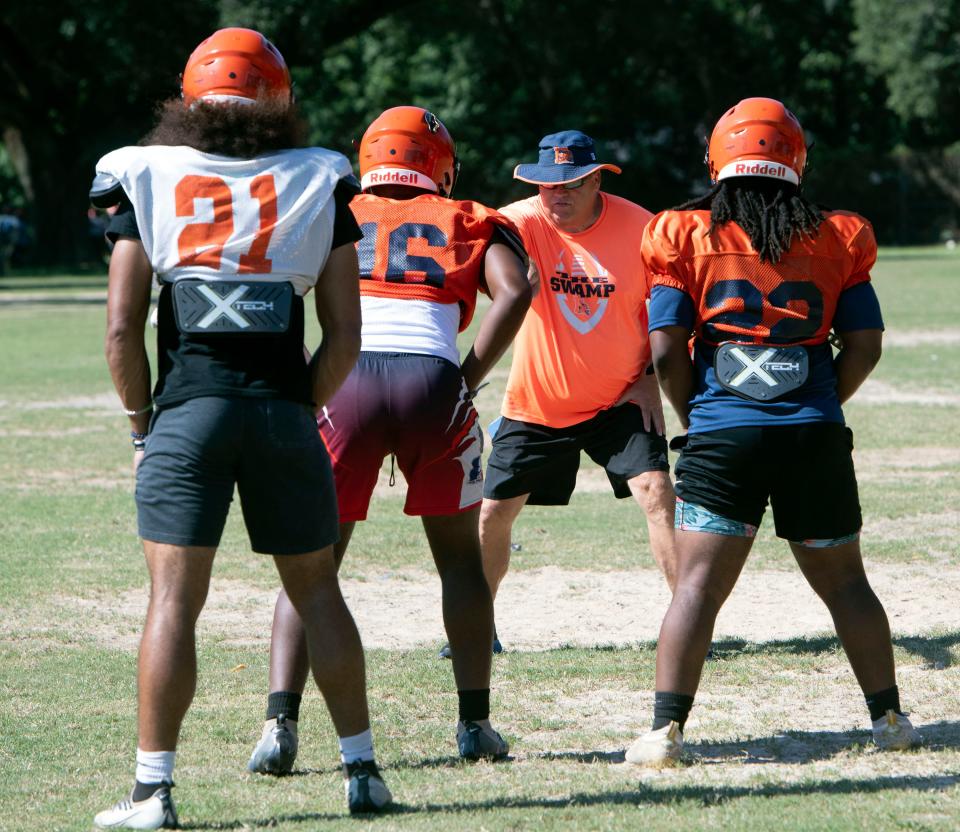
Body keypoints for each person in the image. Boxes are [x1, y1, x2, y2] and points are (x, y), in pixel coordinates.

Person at [90, 28, 392, 828]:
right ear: (279, 100)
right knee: (319, 592)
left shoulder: (142, 174)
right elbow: (346, 334)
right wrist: (303, 403)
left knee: (173, 603)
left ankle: (153, 793)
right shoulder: (319, 179)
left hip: (189, 412)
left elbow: (122, 330)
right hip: (281, 412)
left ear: (188, 98)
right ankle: (362, 770)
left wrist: (141, 423)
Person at [626, 97, 920, 767]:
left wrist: (694, 415)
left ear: (717, 159)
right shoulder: (837, 234)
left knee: (697, 585)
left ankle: (665, 732)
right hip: (813, 433)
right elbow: (865, 344)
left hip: (723, 431)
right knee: (846, 582)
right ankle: (890, 718)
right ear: (798, 160)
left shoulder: (683, 233)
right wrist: (819, 403)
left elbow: (668, 348)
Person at [246, 106, 531, 775]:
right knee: (461, 562)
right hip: (433, 380)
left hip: (344, 382)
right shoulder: (469, 217)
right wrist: (465, 376)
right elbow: (514, 293)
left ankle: (278, 725)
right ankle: (473, 724)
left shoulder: (330, 206)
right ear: (443, 167)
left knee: (311, 567)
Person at [474, 130, 677, 649]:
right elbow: (467, 227)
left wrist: (651, 379)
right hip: (537, 402)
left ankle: (687, 622)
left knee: (657, 493)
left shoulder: (642, 228)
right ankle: (476, 624)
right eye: (545, 186)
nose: (555, 196)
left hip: (620, 398)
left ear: (594, 179)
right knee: (493, 511)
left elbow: (673, 313)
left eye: (567, 185)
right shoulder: (523, 220)